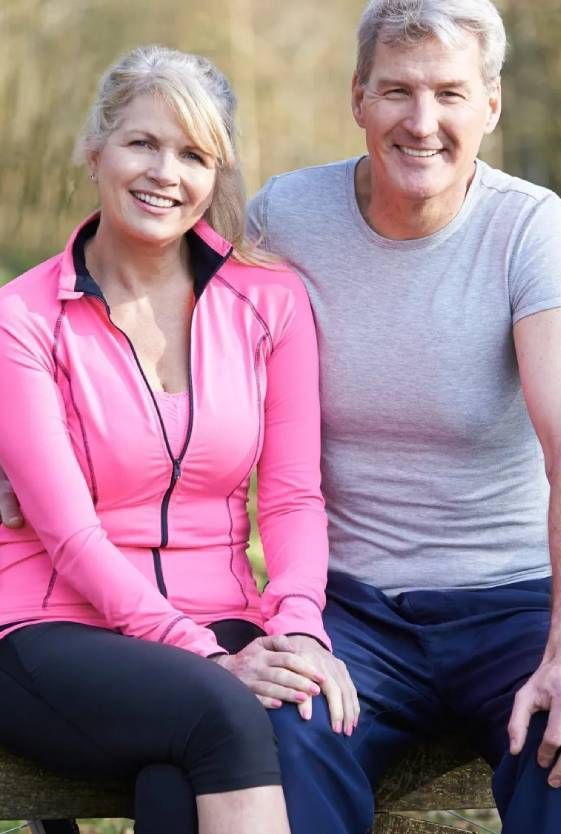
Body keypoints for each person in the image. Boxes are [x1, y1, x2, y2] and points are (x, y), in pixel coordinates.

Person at [0, 45, 357, 834]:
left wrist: (296, 627)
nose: (166, 172)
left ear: (217, 175)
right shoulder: (22, 320)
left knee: (187, 774)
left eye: (193, 153)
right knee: (220, 714)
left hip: (221, 610)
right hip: (54, 626)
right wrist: (202, 658)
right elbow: (67, 535)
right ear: (95, 149)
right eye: (142, 142)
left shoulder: (270, 303)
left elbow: (294, 495)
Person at [247, 0, 561, 833]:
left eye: (449, 94)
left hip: (516, 603)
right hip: (349, 608)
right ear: (357, 97)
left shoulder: (529, 229)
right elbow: (166, 337)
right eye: (396, 90)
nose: (421, 122)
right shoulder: (286, 216)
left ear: (490, 106)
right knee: (279, 734)